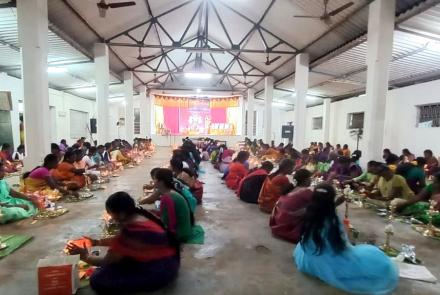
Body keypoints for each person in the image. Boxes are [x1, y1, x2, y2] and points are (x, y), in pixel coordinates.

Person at [66, 192, 180, 294]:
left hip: (160, 273)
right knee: (114, 265)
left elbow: (106, 261)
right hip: (169, 263)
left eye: (110, 213)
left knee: (97, 279)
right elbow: (120, 241)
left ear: (120, 213)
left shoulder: (130, 230)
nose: (110, 217)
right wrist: (96, 242)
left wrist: (85, 256)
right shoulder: (140, 216)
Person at [294, 184, 398, 294]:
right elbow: (342, 244)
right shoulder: (333, 219)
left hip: (307, 258)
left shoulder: (308, 213)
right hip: (326, 262)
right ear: (331, 199)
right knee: (379, 261)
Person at [269, 169, 313, 243]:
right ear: (305, 180)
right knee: (316, 210)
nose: (311, 180)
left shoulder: (290, 188)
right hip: (288, 227)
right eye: (310, 178)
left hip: (278, 222)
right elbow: (320, 204)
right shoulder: (307, 192)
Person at [154, 168, 194, 242]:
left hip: (180, 234)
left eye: (155, 179)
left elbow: (169, 222)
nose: (154, 181)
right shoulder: (171, 193)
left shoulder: (166, 197)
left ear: (161, 182)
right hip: (185, 231)